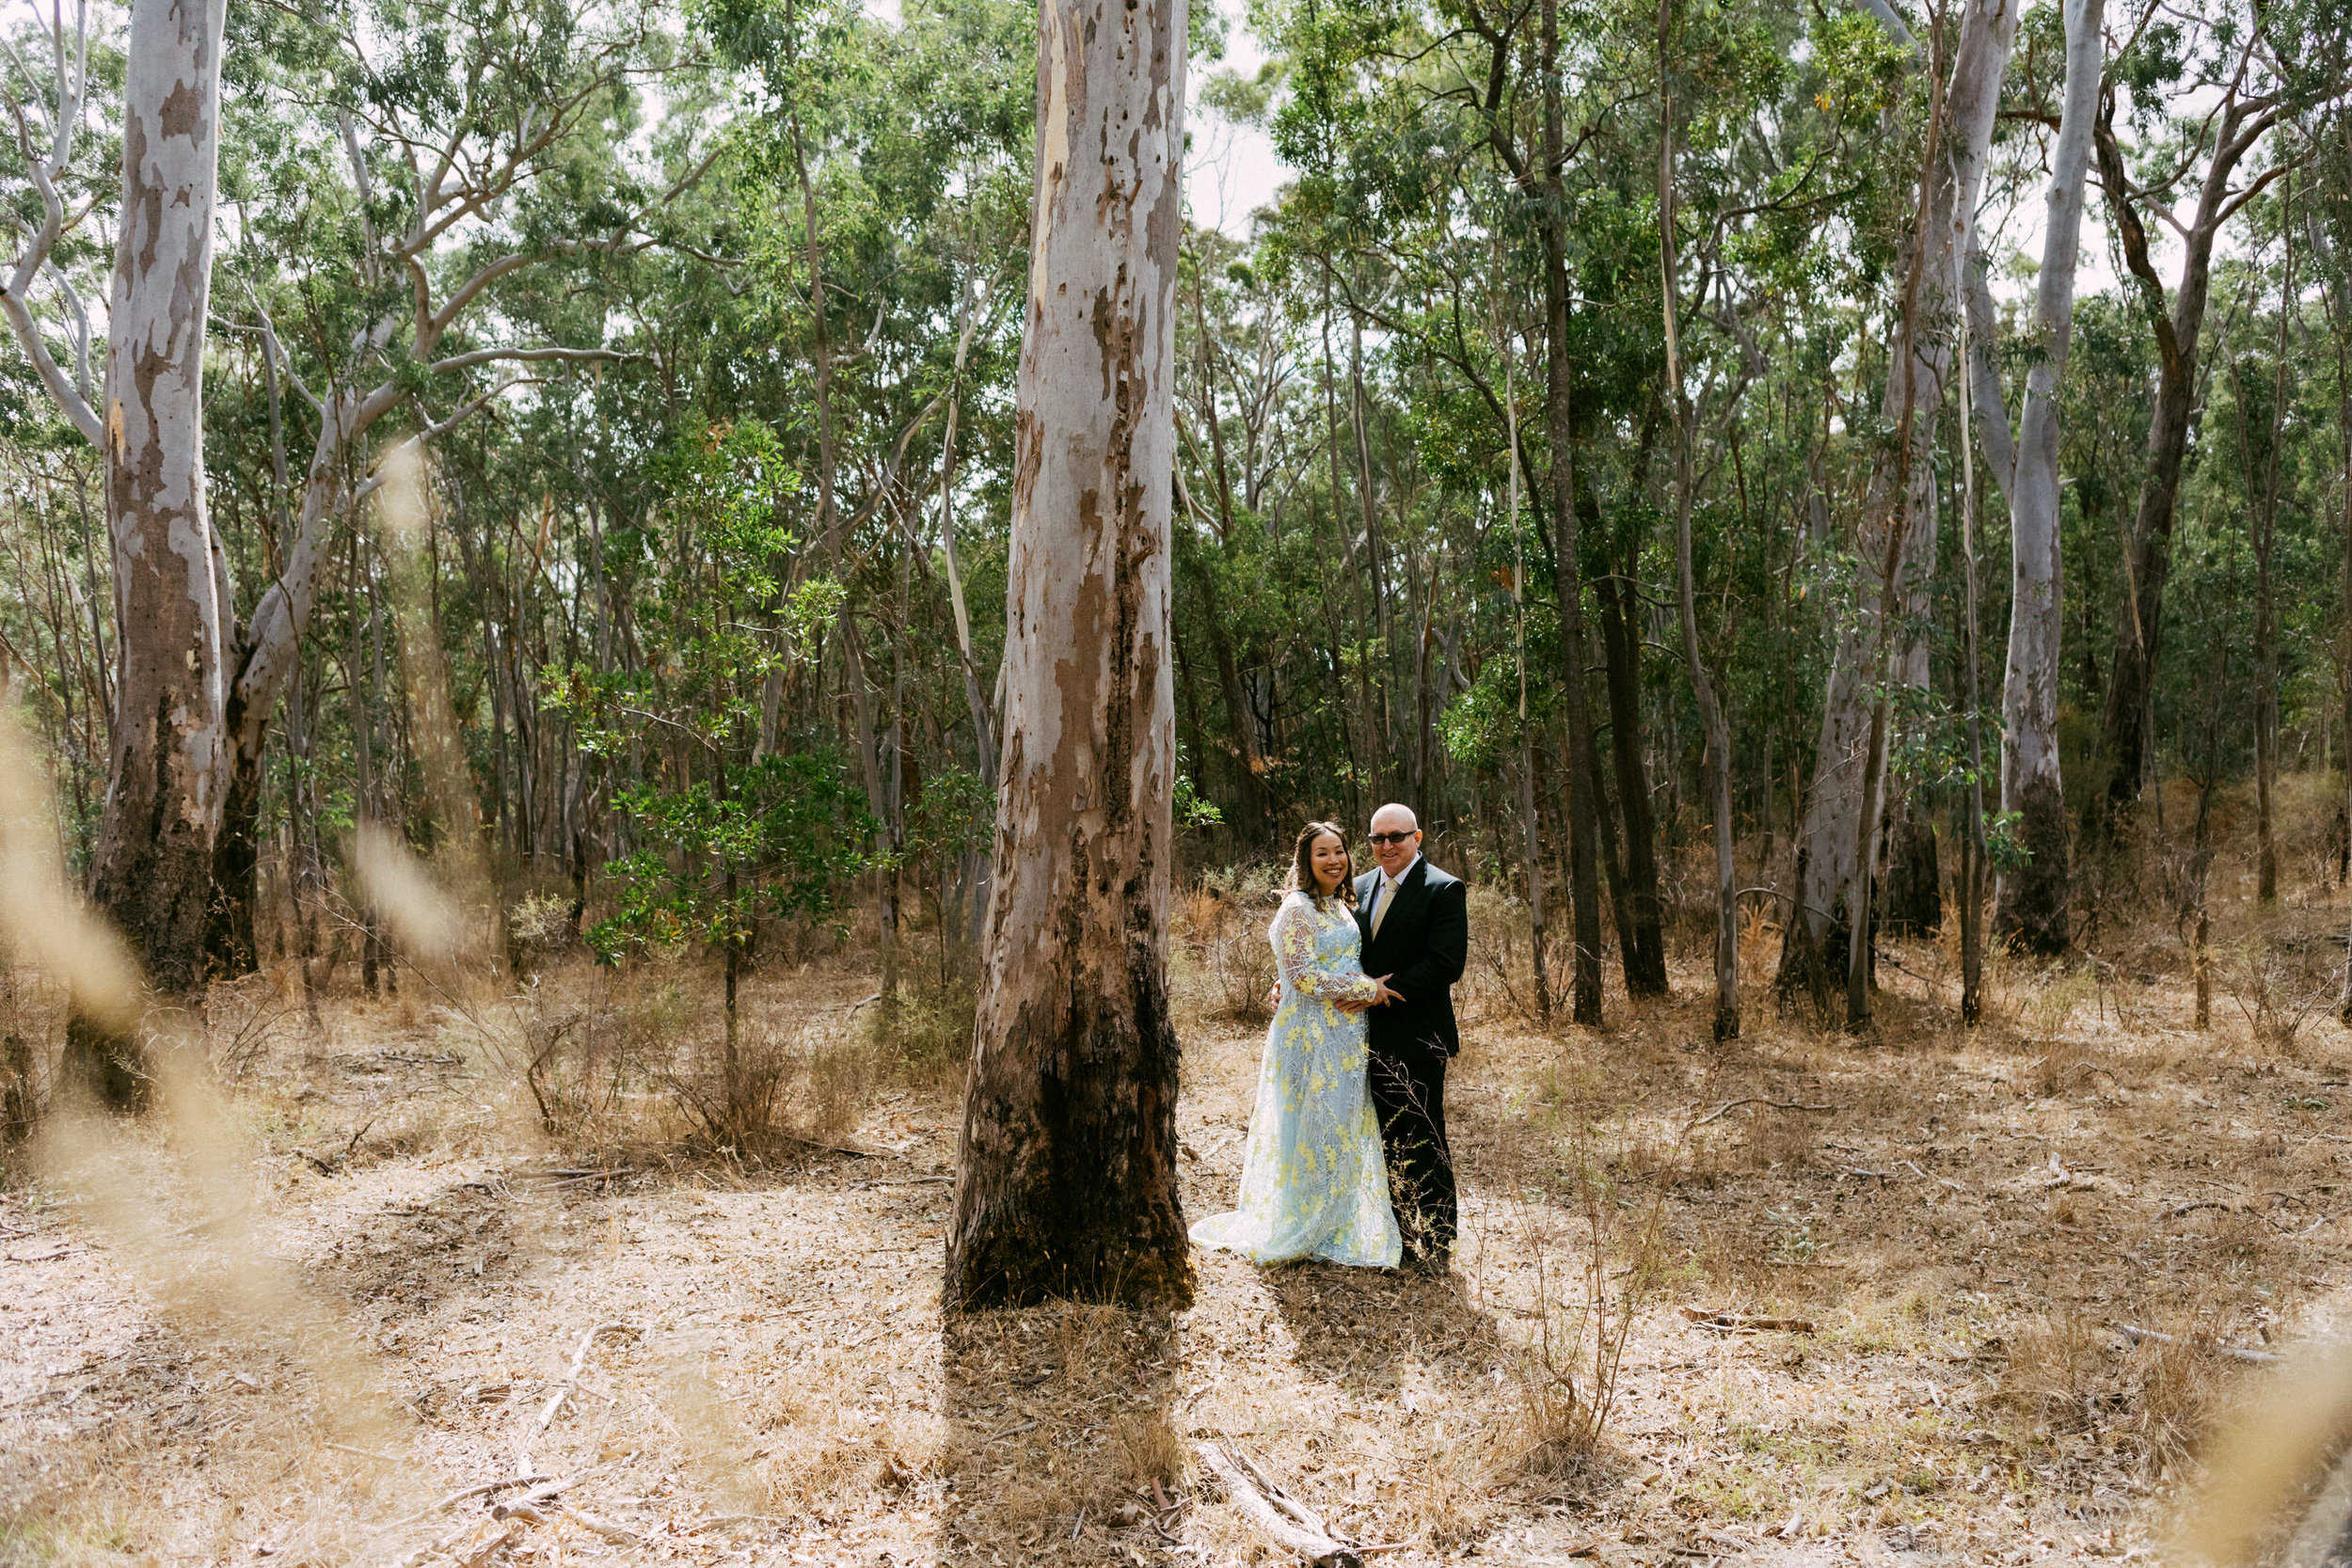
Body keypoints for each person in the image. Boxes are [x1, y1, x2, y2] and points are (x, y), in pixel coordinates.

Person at [1190, 822, 1403, 1268]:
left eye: (1340, 851)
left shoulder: (1340, 905)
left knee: (1340, 1124)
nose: (1334, 860)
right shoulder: (1297, 907)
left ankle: (1335, 1218)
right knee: (1306, 1125)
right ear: (1305, 860)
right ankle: (1303, 1218)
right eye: (1322, 853)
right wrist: (1367, 989)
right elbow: (1303, 976)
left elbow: (1322, 962)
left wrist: (1317, 982)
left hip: (1345, 1035)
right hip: (1308, 1037)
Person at [1353, 803, 1468, 1275]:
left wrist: (1382, 991)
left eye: (1395, 837)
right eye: (1377, 839)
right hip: (1361, 1038)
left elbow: (1447, 964)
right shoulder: (1357, 887)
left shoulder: (1443, 888)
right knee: (1380, 1138)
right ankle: (1394, 1235)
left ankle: (1439, 1241)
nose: (1386, 846)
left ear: (1417, 838)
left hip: (1419, 1038)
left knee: (1423, 1136)